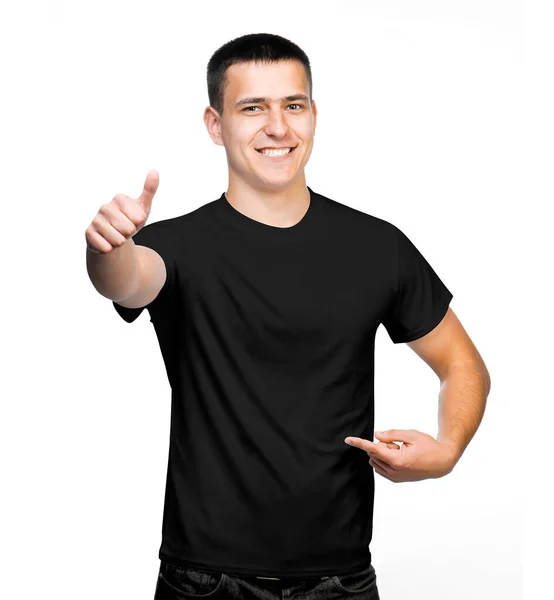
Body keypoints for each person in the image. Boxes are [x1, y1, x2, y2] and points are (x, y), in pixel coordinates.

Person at [85, 32, 491, 600]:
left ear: (313, 115)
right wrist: (107, 247)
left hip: (341, 582)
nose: (278, 127)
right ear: (215, 124)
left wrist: (448, 450)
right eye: (253, 108)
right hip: (203, 580)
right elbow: (126, 280)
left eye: (293, 105)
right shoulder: (175, 246)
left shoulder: (377, 245)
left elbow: (463, 363)